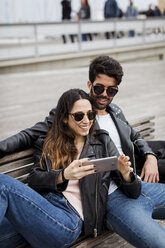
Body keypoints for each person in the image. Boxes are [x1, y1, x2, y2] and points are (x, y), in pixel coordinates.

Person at [1, 56, 165, 247]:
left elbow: (135, 136)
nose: (104, 94)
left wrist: (149, 156)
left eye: (111, 90)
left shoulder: (113, 116)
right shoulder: (56, 133)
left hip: (126, 180)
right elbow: (28, 139)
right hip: (102, 197)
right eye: (99, 88)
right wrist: (63, 175)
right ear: (90, 84)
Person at [0, 88, 140, 248]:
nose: (86, 120)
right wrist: (63, 175)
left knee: (2, 183)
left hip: (67, 221)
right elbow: (34, 179)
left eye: (91, 114)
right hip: (42, 211)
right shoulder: (49, 142)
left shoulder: (102, 142)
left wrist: (125, 173)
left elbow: (134, 192)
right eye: (79, 116)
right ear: (65, 118)